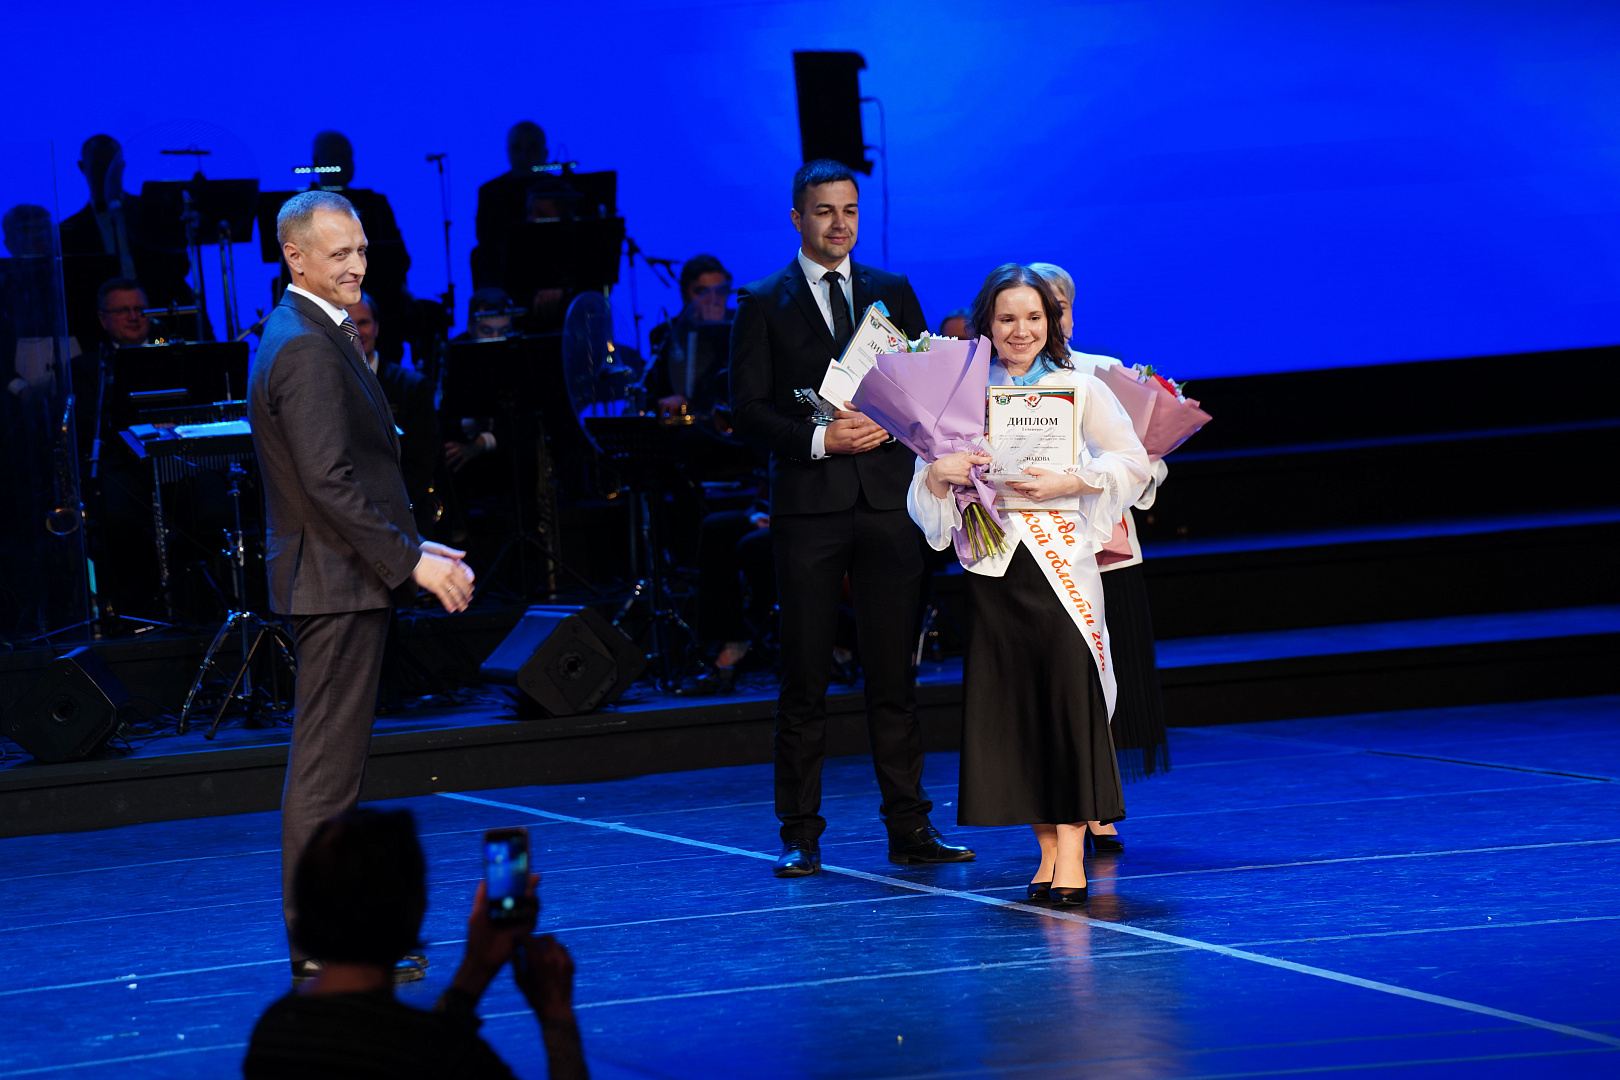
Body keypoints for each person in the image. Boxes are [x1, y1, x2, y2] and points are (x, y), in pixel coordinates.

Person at [249, 190, 475, 982]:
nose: (356, 266)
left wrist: (415, 544)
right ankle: (320, 946)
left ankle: (333, 938)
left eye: (362, 250)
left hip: (340, 573)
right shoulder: (305, 345)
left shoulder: (312, 332)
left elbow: (346, 475)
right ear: (295, 256)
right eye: (339, 253)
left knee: (332, 773)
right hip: (335, 579)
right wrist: (410, 563)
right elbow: (328, 482)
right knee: (324, 775)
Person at [730, 158, 975, 876]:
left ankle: (910, 827)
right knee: (804, 676)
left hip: (888, 505)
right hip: (809, 510)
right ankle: (799, 833)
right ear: (798, 218)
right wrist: (820, 439)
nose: (840, 224)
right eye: (825, 211)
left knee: (894, 676)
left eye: (850, 211)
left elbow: (927, 389)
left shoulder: (891, 290)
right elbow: (746, 412)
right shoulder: (762, 301)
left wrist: (905, 427)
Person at [908, 264, 1151, 903]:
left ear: (1052, 321)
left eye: (1034, 317)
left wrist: (1074, 480)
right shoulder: (961, 398)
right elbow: (922, 491)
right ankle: (1046, 849)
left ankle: (1072, 850)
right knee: (1017, 712)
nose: (1021, 330)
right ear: (987, 324)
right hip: (996, 573)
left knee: (1068, 704)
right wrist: (939, 474)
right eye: (1007, 318)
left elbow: (1133, 463)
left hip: (1061, 566)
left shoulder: (1080, 387)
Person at [243, 807, 588, 1079]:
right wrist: (556, 1015)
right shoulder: (443, 1055)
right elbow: (424, 1047)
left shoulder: (272, 1034)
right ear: (415, 907)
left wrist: (474, 975)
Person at [1030, 261, 1172, 853]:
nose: (1049, 318)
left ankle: (1101, 796)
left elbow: (1145, 464)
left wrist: (1101, 476)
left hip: (1108, 546)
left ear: (1070, 313)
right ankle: (1069, 803)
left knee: (1110, 674)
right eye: (1036, 308)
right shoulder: (1002, 382)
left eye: (1058, 307)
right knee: (1064, 678)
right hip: (1042, 549)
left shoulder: (1103, 373)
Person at [57, 135, 194, 345]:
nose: (106, 173)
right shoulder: (69, 231)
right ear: (82, 168)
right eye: (98, 166)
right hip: (100, 333)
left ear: (122, 166)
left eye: (111, 165)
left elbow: (179, 265)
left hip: (163, 320)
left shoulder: (152, 212)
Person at [346, 294, 442, 540]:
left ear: (376, 327)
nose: (357, 331)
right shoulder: (325, 387)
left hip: (405, 522)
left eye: (364, 323)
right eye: (348, 324)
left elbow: (421, 464)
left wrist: (381, 511)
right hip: (347, 521)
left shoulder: (412, 387)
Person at [311, 132, 412, 364]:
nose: (345, 163)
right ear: (317, 162)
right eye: (336, 157)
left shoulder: (376, 204)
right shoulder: (303, 208)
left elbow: (400, 258)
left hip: (377, 293)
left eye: (348, 157)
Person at [648, 255, 735, 418]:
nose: (713, 300)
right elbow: (659, 390)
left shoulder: (739, 327)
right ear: (684, 294)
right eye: (702, 292)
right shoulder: (665, 333)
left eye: (720, 292)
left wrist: (716, 332)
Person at [477, 121, 550, 249]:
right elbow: (486, 240)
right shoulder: (490, 192)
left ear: (545, 154)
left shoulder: (563, 189)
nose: (524, 156)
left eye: (532, 148)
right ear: (508, 153)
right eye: (517, 148)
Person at [95, 278, 151, 349]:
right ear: (103, 319)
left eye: (139, 309)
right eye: (122, 311)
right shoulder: (97, 356)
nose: (133, 317)